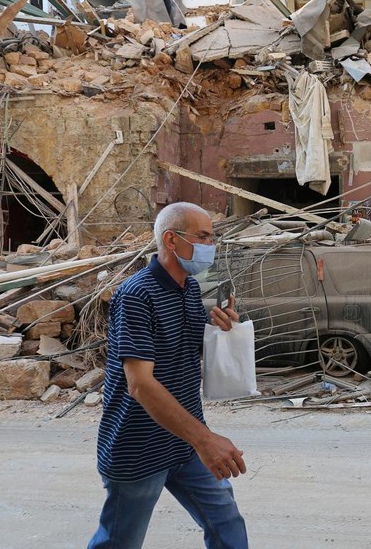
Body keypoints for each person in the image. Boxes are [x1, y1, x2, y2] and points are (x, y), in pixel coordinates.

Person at [89, 202, 248, 549]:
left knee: (227, 525)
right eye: (203, 236)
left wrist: (216, 331)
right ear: (172, 240)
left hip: (183, 443)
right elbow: (140, 384)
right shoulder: (135, 295)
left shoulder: (188, 289)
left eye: (212, 237)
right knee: (119, 542)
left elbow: (180, 350)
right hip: (139, 446)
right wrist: (206, 441)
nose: (211, 245)